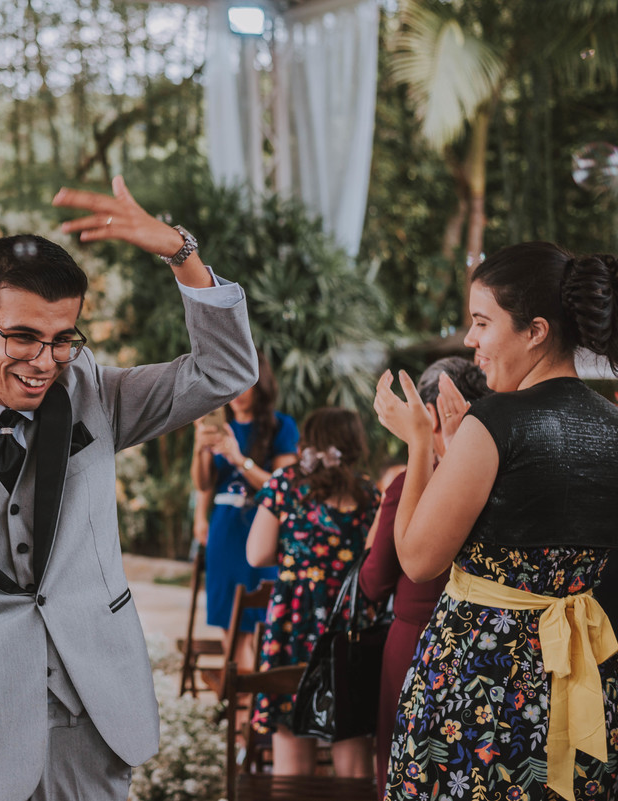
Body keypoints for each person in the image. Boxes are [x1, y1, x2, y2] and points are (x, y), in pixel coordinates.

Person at [0, 177, 258, 801]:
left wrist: (180, 253)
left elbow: (225, 370)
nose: (44, 361)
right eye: (24, 337)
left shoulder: (93, 394)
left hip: (93, 723)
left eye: (63, 340)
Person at [374, 242, 618, 801]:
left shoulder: (496, 420)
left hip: (482, 681)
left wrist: (419, 445)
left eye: (482, 322)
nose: (470, 340)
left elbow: (418, 560)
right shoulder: (612, 426)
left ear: (535, 331)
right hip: (580, 679)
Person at [357, 356, 490, 792]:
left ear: (429, 413)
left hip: (416, 641)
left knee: (407, 767)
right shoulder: (499, 479)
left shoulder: (411, 485)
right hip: (484, 642)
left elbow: (373, 582)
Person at [245, 406, 380, 777]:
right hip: (348, 623)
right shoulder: (369, 494)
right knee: (352, 742)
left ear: (308, 443)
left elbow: (256, 554)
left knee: (290, 730)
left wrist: (297, 556)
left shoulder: (286, 484)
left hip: (295, 620)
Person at [191, 349, 298, 667]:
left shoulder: (282, 426)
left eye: (244, 384)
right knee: (229, 626)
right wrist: (200, 448)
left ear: (259, 384)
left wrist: (240, 460)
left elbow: (285, 486)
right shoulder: (218, 423)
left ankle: (248, 693)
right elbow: (203, 483)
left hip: (261, 532)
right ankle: (242, 694)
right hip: (224, 531)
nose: (236, 393)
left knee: (259, 622)